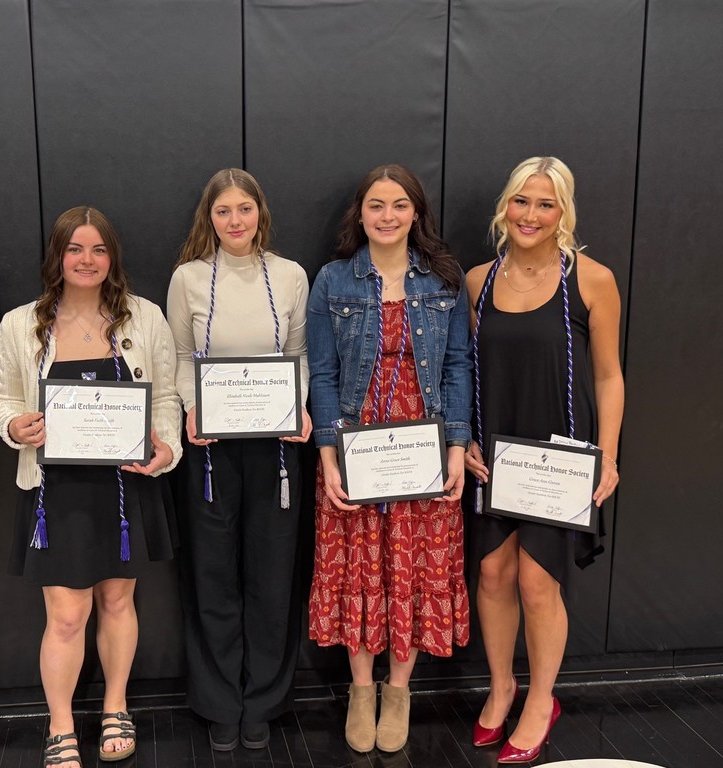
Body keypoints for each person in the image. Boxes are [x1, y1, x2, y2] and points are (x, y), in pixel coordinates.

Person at [0, 206, 181, 768]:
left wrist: (166, 448)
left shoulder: (144, 318)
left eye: (99, 250)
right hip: (56, 491)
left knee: (118, 600)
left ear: (112, 257)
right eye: (75, 249)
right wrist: (14, 426)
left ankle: (116, 706)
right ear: (58, 256)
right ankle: (61, 724)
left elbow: (166, 396)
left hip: (125, 486)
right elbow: (3, 398)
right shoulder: (20, 324)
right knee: (67, 616)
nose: (87, 260)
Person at [307, 165, 472, 753]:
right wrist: (328, 457)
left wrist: (457, 447)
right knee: (359, 564)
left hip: (423, 447)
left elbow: (457, 366)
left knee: (412, 565)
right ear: (360, 213)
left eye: (399, 205)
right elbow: (322, 374)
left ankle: (398, 690)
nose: (387, 216)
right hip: (356, 445)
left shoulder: (445, 279)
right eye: (376, 205)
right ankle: (361, 689)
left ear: (416, 213)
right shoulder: (332, 280)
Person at [464, 156, 624, 763]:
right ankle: (501, 686)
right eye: (521, 201)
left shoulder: (592, 280)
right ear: (506, 206)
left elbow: (608, 376)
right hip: (496, 451)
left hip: (558, 458)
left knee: (537, 583)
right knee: (492, 574)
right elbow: (465, 370)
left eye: (545, 204)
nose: (530, 215)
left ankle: (540, 700)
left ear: (564, 212)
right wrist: (465, 438)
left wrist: (607, 457)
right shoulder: (478, 281)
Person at [166, 169, 311, 751]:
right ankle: (220, 700)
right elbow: (180, 356)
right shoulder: (188, 278)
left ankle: (265, 701)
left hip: (277, 450)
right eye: (223, 211)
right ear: (210, 217)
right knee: (213, 575)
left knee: (272, 576)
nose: (235, 220)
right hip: (211, 451)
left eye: (244, 209)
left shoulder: (291, 275)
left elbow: (299, 353)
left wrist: (299, 405)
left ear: (260, 213)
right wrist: (191, 408)